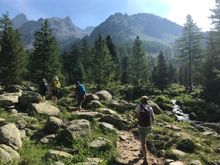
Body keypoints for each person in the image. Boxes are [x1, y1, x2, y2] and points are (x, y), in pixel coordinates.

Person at [135, 96, 155, 165]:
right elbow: (152, 117)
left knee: (143, 143)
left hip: (140, 126)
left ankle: (145, 159)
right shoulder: (150, 108)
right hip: (148, 126)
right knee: (145, 140)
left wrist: (138, 119)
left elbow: (136, 115)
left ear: (141, 100)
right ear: (147, 101)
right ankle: (143, 151)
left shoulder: (138, 106)